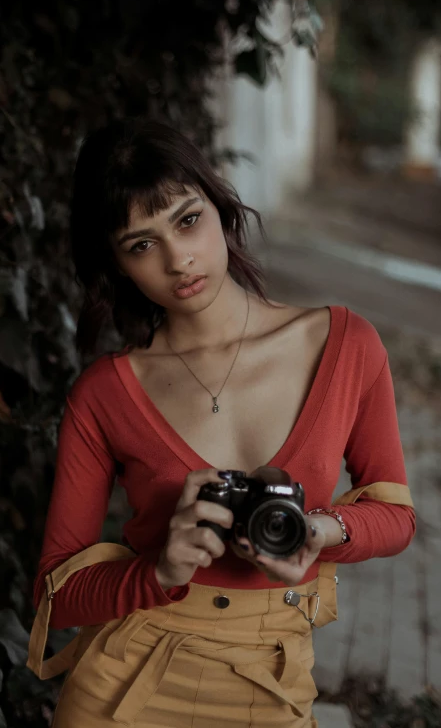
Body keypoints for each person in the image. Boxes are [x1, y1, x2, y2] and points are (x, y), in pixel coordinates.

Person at [29, 119, 415, 727]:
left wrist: (321, 529)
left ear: (221, 206)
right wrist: (157, 570)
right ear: (118, 266)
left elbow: (397, 517)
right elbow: (57, 590)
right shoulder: (105, 393)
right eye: (140, 244)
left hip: (275, 679)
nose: (178, 259)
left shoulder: (346, 346)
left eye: (187, 220)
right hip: (127, 690)